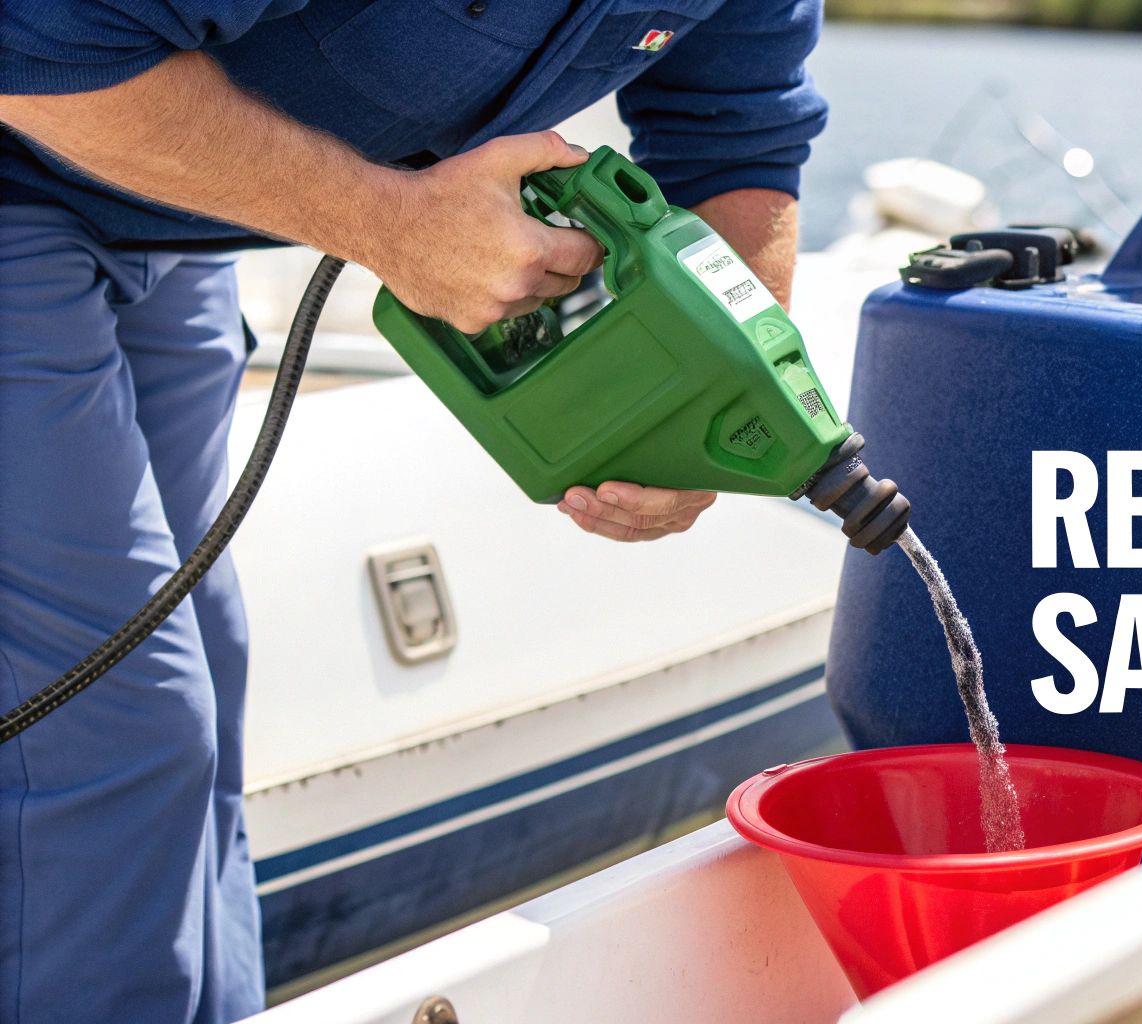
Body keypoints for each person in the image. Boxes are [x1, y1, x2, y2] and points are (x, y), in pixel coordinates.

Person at [0, 0, 826, 1018]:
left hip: (157, 203)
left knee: (203, 684)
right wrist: (391, 225)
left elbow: (734, 129)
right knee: (114, 725)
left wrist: (723, 403)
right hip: (39, 131)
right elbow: (36, 47)